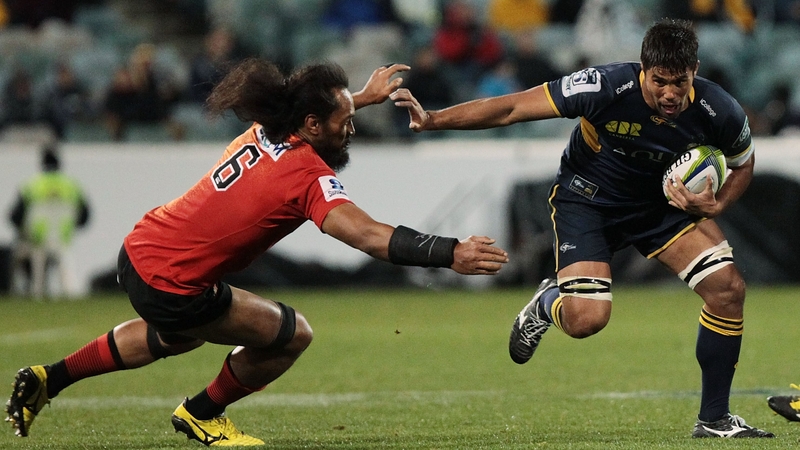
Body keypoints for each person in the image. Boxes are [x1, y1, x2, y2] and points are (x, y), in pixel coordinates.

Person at [5, 60, 509, 445]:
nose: (350, 126)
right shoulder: (306, 174)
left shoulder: (265, 130)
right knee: (292, 334)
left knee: (176, 338)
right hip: (174, 283)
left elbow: (321, 116)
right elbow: (369, 236)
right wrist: (450, 252)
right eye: (344, 119)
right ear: (312, 124)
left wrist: (362, 97)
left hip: (139, 251)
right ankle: (202, 415)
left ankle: (50, 377)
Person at [391, 18, 773, 438]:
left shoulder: (719, 109)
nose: (669, 93)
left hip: (661, 208)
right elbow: (514, 107)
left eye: (678, 82)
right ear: (643, 68)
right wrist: (432, 120)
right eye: (659, 81)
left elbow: (743, 162)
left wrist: (717, 202)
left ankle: (714, 419)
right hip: (588, 201)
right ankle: (548, 302)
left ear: (694, 71)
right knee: (587, 320)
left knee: (727, 288)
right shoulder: (603, 86)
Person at [8, 144, 90, 298]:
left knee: (26, 258)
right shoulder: (72, 185)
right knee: (64, 261)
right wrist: (70, 227)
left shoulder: (31, 185)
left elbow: (14, 217)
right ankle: (70, 293)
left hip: (37, 239)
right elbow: (85, 216)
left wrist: (25, 232)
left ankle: (33, 291)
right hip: (63, 238)